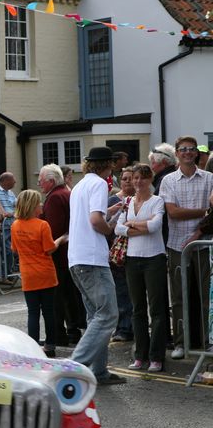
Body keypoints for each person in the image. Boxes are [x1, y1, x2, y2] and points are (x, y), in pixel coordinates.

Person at [67, 147, 126, 385]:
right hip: (92, 259)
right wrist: (109, 227)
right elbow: (95, 221)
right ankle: (72, 368)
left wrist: (108, 212)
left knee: (96, 317)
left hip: (77, 258)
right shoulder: (100, 184)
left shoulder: (79, 186)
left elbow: (88, 216)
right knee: (108, 314)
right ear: (108, 165)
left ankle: (98, 371)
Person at [159, 135, 213, 359]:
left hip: (204, 244)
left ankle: (207, 341)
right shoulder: (168, 180)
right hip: (177, 244)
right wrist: (204, 212)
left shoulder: (209, 178)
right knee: (180, 297)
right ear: (177, 153)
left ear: (197, 153)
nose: (188, 152)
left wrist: (202, 224)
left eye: (191, 149)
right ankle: (181, 343)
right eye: (183, 149)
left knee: (206, 297)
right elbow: (173, 212)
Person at [114, 164, 168, 372]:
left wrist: (132, 224)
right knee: (137, 309)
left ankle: (156, 357)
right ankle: (140, 355)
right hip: (132, 259)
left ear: (150, 180)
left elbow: (155, 226)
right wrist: (141, 225)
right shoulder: (127, 202)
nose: (138, 181)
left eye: (143, 178)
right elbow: (118, 228)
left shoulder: (157, 201)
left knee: (157, 309)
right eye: (135, 178)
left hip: (154, 258)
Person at [11, 190, 66, 357]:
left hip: (28, 274)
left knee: (33, 312)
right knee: (49, 311)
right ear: (32, 206)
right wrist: (61, 239)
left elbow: (14, 249)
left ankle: (33, 347)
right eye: (38, 202)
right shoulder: (43, 225)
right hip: (45, 273)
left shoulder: (15, 225)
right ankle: (50, 346)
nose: (41, 205)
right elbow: (49, 249)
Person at [39, 164, 86, 346]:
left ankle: (60, 334)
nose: (39, 183)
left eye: (41, 181)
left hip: (59, 255)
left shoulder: (54, 198)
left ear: (51, 181)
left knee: (57, 297)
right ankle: (73, 331)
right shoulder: (66, 193)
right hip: (69, 253)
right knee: (69, 295)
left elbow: (54, 230)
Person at [107, 167, 135, 343]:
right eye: (124, 178)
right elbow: (107, 225)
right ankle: (123, 328)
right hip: (117, 251)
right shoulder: (113, 200)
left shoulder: (141, 199)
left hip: (136, 250)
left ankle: (133, 327)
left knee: (135, 292)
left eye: (131, 178)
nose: (127, 181)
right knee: (121, 292)